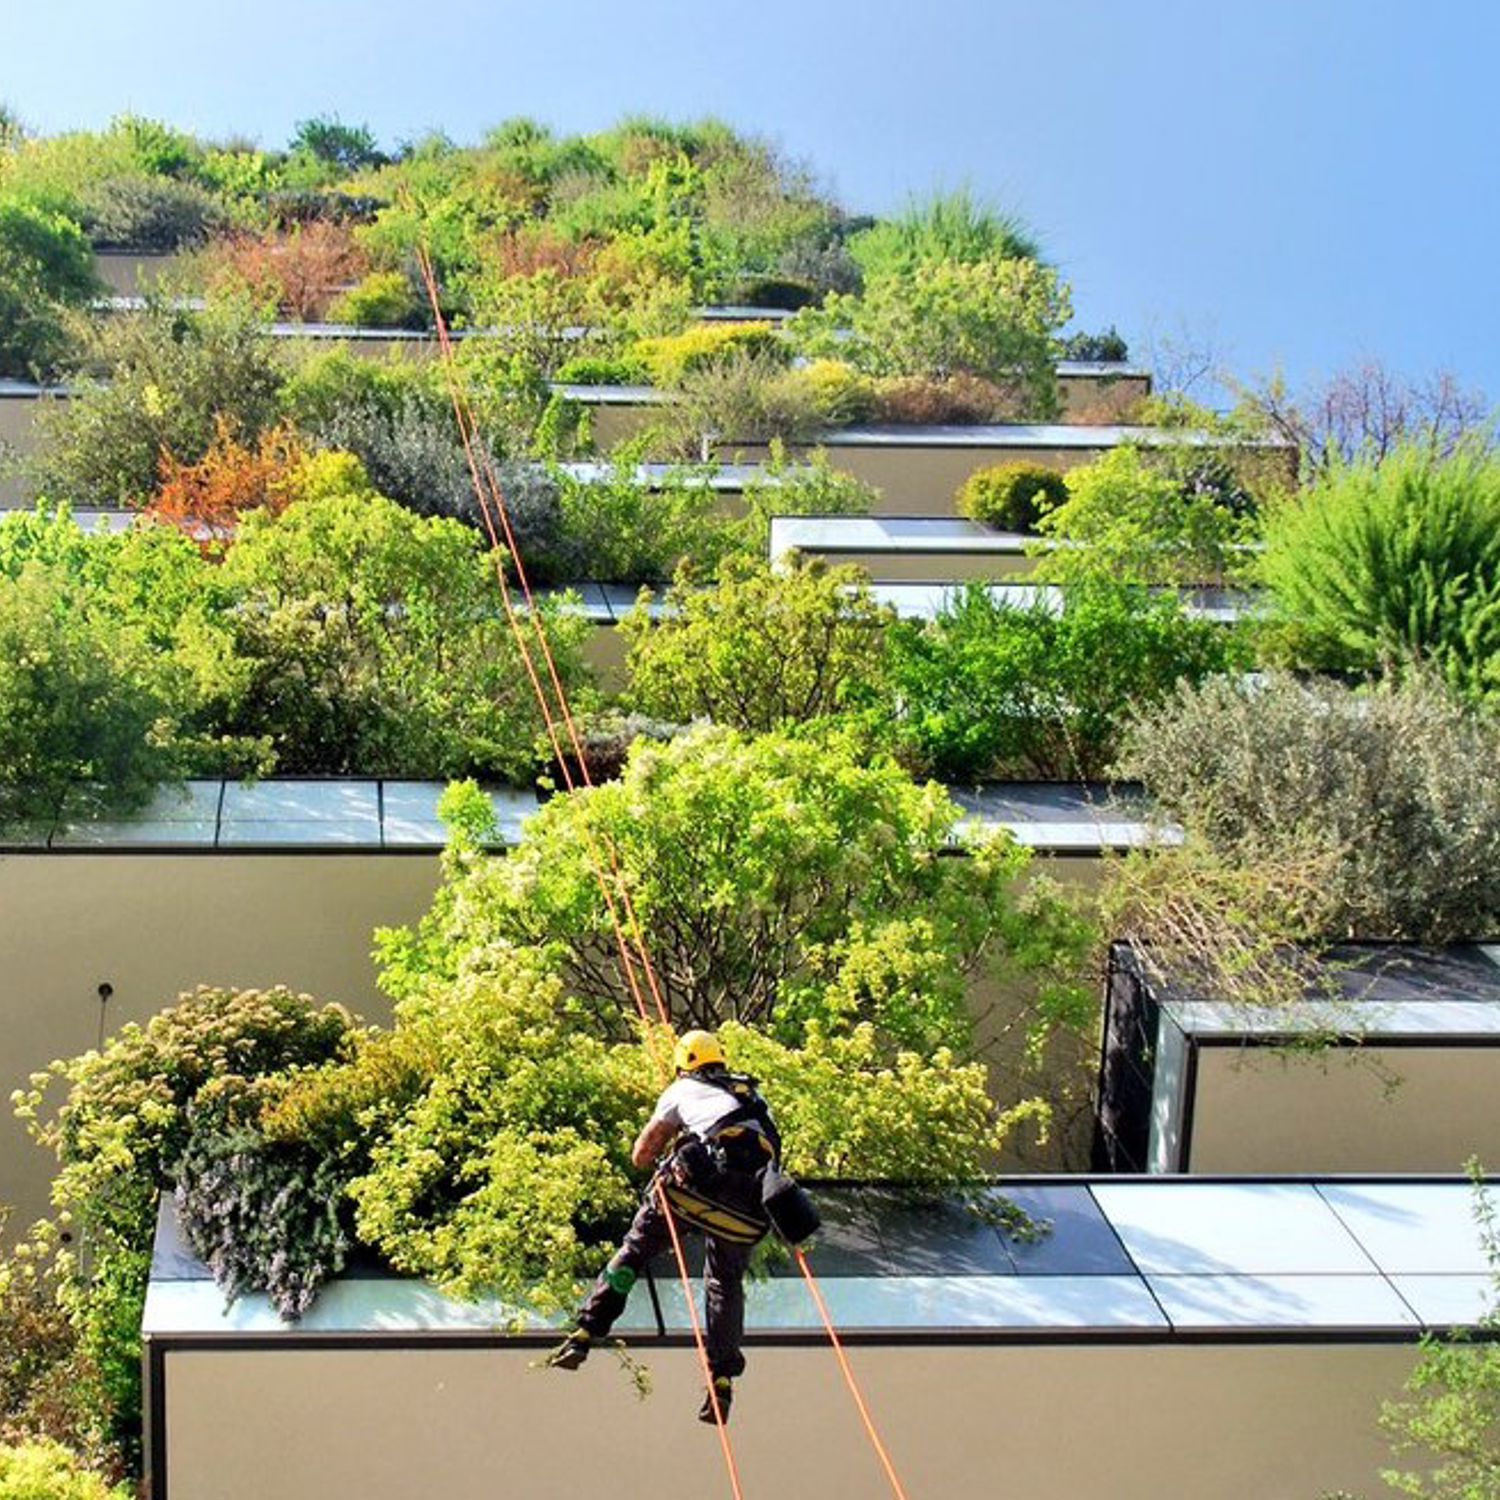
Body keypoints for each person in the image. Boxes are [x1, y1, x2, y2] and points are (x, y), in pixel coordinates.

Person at [546, 1029, 780, 1425]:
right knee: (724, 1283)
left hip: (691, 1192)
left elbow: (643, 1154)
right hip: (747, 1210)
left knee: (635, 1251)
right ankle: (722, 1378)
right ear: (719, 1060)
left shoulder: (680, 1089)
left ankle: (586, 1331)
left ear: (683, 1063)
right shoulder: (756, 1098)